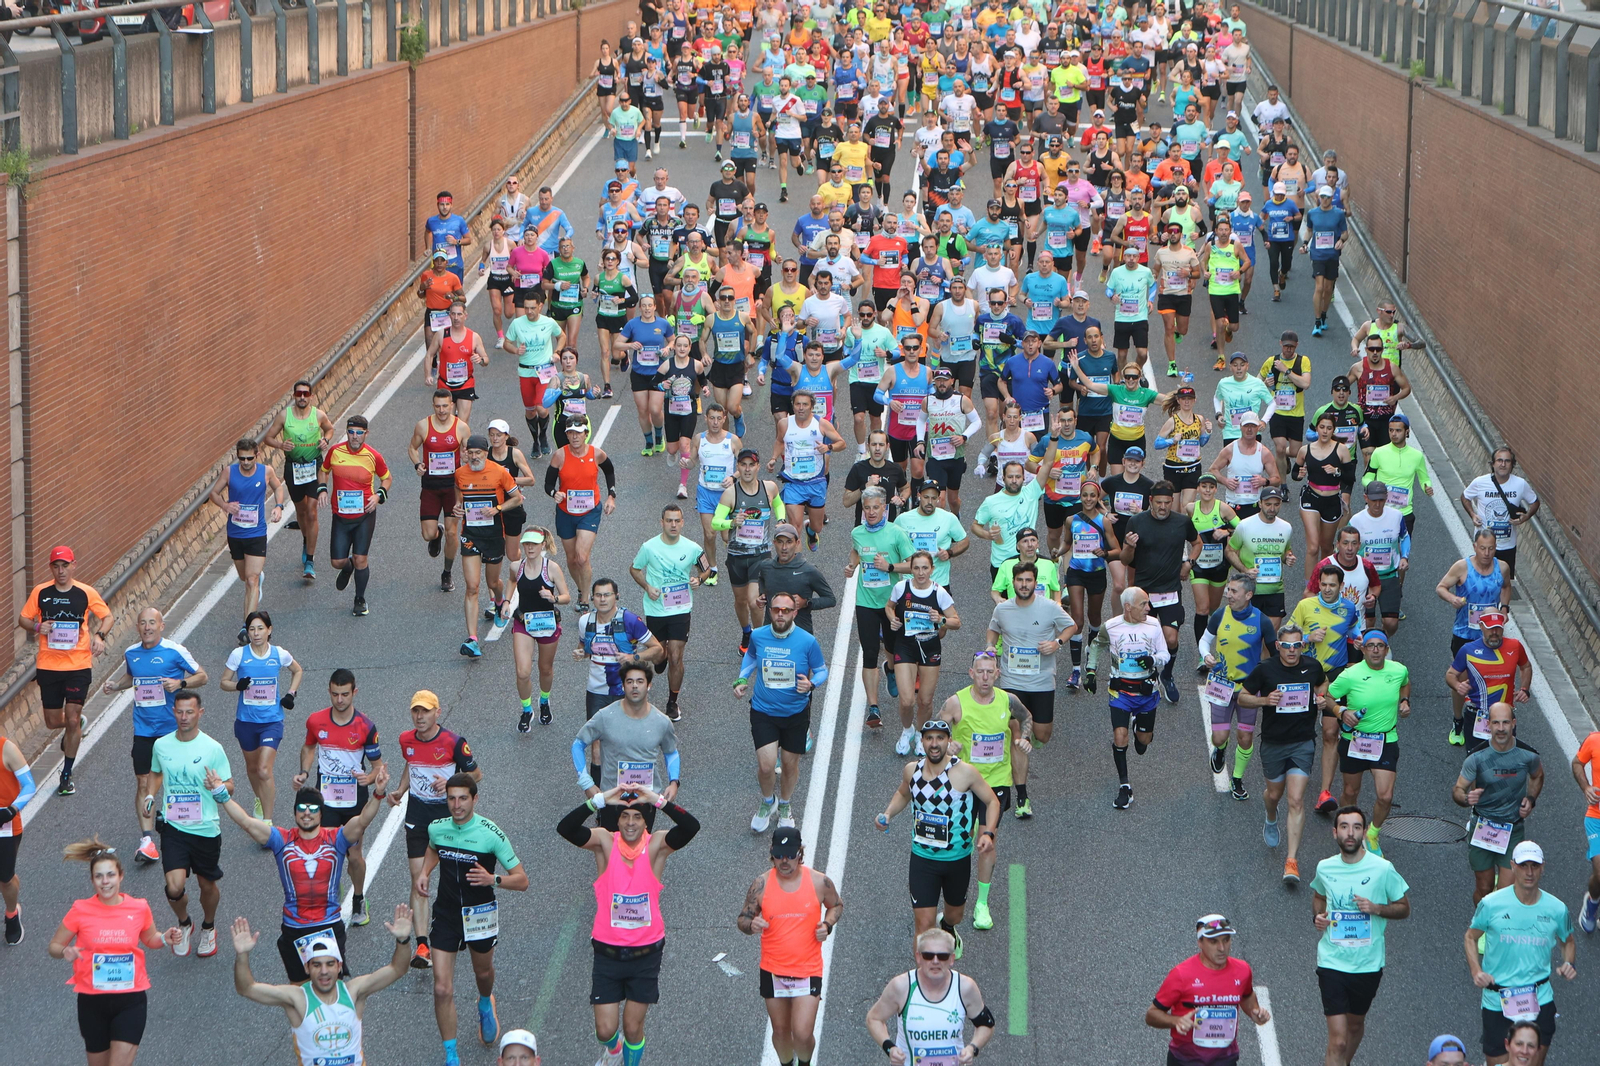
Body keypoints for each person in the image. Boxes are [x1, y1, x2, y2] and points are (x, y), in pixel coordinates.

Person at [558, 787, 700, 1066]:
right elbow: (566, 828)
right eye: (624, 816)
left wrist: (657, 800)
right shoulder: (604, 841)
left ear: (646, 821)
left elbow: (690, 826)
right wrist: (599, 800)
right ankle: (614, 1050)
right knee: (605, 1030)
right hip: (608, 952)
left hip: (645, 954)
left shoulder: (657, 845)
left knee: (633, 1027)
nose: (630, 822)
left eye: (637, 816)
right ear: (617, 820)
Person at [212, 762, 389, 979]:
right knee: (299, 989)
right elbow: (246, 822)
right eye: (302, 808)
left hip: (329, 925)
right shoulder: (281, 839)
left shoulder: (336, 838)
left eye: (313, 809)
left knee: (331, 986)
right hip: (294, 927)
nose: (307, 813)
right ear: (295, 812)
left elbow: (362, 821)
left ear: (321, 814)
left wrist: (378, 793)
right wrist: (222, 796)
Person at [416, 774, 529, 1060]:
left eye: (463, 798)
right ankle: (451, 1055)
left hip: (480, 915)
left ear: (475, 799)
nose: (457, 805)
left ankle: (485, 1003)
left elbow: (522, 880)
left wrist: (494, 879)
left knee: (483, 973)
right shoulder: (437, 828)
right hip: (446, 915)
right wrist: (425, 872)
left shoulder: (491, 834)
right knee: (442, 989)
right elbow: (432, 849)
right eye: (451, 799)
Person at [48, 838, 183, 1065]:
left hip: (130, 1000)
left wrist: (164, 938)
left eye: (110, 875)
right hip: (92, 1002)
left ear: (121, 876)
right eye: (99, 876)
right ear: (92, 880)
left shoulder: (139, 907)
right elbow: (54, 946)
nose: (105, 882)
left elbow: (150, 938)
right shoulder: (80, 909)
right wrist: (64, 951)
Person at [230, 904, 413, 1066]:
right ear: (307, 968)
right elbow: (247, 988)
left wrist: (403, 940)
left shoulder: (353, 992)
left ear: (339, 966)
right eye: (317, 965)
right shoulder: (298, 998)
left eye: (330, 964)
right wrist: (242, 955)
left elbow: (397, 969)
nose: (324, 971)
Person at [876, 719, 1000, 955]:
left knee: (955, 915)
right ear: (922, 741)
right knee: (923, 925)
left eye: (940, 738)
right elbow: (903, 793)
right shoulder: (912, 770)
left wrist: (988, 833)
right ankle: (922, 976)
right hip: (923, 859)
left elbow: (992, 801)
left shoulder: (965, 772)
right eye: (929, 738)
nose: (934, 744)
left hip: (957, 859)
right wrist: (888, 813)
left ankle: (948, 925)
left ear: (948, 741)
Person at [100, 607, 206, 865]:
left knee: (177, 779)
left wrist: (180, 683)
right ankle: (147, 840)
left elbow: (202, 676)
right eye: (143, 623)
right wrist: (117, 685)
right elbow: (132, 676)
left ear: (161, 626)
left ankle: (184, 824)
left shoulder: (174, 651)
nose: (147, 627)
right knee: (143, 782)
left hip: (172, 730)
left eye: (152, 623)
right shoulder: (131, 653)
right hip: (144, 729)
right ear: (138, 627)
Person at [1310, 806, 1412, 1066]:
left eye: (1356, 827)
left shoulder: (1382, 869)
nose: (1350, 833)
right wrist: (1318, 916)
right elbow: (1319, 896)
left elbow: (1404, 908)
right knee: (1338, 1040)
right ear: (1335, 832)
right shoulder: (1325, 867)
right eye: (1344, 827)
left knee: (1355, 1026)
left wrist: (1376, 908)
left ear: (1365, 832)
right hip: (1332, 961)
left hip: (1368, 963)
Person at [387, 690, 481, 971]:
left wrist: (451, 782)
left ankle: (460, 928)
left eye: (425, 711)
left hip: (448, 819)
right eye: (416, 711)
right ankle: (422, 944)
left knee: (455, 878)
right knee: (419, 878)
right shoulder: (406, 740)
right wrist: (400, 790)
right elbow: (411, 765)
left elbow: (476, 774)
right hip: (417, 817)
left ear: (437, 713)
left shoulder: (454, 742)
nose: (420, 717)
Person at [737, 826, 842, 1066]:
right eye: (779, 855)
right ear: (771, 852)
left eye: (790, 855)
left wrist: (827, 924)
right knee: (781, 1031)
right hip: (773, 970)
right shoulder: (761, 884)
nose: (784, 861)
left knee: (803, 1033)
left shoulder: (819, 881)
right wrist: (751, 924)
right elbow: (742, 919)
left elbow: (836, 905)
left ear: (800, 854)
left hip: (808, 969)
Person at [1466, 841, 1575, 1066]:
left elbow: (1568, 941)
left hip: (1539, 997)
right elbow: (1470, 937)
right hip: (1498, 999)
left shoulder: (1557, 909)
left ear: (1543, 868)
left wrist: (1568, 963)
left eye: (1535, 866)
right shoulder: (1491, 904)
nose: (1529, 872)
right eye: (1523, 865)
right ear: (1513, 866)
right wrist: (1476, 970)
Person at [290, 668, 385, 926]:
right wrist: (304, 772)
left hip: (355, 800)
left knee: (354, 854)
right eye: (335, 694)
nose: (340, 700)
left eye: (345, 694)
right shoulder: (316, 721)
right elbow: (309, 747)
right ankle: (333, 892)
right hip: (326, 799)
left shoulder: (366, 726)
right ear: (329, 692)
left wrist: (370, 777)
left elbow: (377, 766)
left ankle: (359, 898)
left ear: (354, 692)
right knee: (328, 853)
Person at [20, 545, 113, 796]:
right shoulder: (41, 592)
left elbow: (107, 616)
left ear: (74, 566)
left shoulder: (85, 592)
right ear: (51, 568)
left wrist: (100, 636)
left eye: (65, 566)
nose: (61, 571)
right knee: (53, 722)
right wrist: (38, 627)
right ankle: (76, 725)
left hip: (78, 665)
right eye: (56, 566)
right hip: (49, 665)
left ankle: (66, 774)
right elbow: (23, 619)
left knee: (71, 717)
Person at [1240, 623, 1330, 883]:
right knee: (1274, 794)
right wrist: (1264, 700)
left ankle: (1291, 861)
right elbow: (1243, 697)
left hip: (1302, 742)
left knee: (1296, 800)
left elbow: (1323, 682)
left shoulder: (1312, 666)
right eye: (1287, 646)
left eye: (1297, 645)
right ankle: (1271, 817)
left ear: (1303, 645)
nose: (1292, 651)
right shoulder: (1265, 669)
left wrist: (1321, 697)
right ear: (1278, 646)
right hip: (1273, 743)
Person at [984, 562, 1076, 814]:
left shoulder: (1049, 607)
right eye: (1019, 580)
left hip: (1041, 680)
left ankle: (1029, 735)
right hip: (1012, 682)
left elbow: (1071, 626)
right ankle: (1022, 797)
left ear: (1035, 583)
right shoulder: (1003, 609)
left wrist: (1057, 643)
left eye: (1028, 580)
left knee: (1042, 735)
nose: (1024, 585)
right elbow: (993, 630)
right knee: (1017, 734)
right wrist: (990, 646)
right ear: (1013, 582)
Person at [147, 689, 233, 958]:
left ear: (200, 713)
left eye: (190, 712)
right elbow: (155, 772)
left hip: (205, 828)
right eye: (180, 712)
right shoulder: (161, 745)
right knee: (174, 887)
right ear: (173, 712)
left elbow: (230, 784)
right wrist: (150, 794)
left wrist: (218, 786)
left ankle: (208, 927)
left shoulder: (212, 748)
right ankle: (185, 923)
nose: (184, 717)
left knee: (207, 885)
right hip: (174, 827)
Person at [1327, 631, 1411, 856]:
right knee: (1350, 791)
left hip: (1385, 740)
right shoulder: (1350, 675)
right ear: (1363, 649)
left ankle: (1372, 833)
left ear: (1386, 649)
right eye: (1370, 646)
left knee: (1385, 796)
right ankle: (1348, 831)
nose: (1375, 650)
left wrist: (1405, 700)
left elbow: (1405, 684)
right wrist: (1341, 711)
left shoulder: (1398, 670)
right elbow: (1326, 696)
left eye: (1380, 646)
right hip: (1354, 740)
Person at [1147, 915, 1271, 1064]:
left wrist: (1254, 1012)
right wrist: (1175, 1021)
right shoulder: (1181, 975)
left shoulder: (1242, 970)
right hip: (1186, 1059)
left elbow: (1246, 996)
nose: (1222, 948)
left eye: (1226, 940)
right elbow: (1151, 1015)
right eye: (1213, 942)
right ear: (1200, 942)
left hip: (1225, 1058)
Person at [573, 662, 680, 834]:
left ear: (649, 685)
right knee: (611, 847)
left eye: (640, 681)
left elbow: (671, 752)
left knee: (641, 848)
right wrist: (586, 783)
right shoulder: (605, 717)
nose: (635, 686)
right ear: (623, 686)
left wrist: (674, 782)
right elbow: (578, 744)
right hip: (613, 799)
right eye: (629, 681)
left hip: (646, 799)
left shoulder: (662, 721)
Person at [864, 927, 997, 1063]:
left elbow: (986, 1024)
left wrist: (972, 1048)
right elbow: (874, 1019)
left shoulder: (965, 987)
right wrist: (889, 1048)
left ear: (951, 959)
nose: (935, 961)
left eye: (942, 956)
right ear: (918, 957)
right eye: (928, 955)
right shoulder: (902, 986)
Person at [1454, 702, 1543, 902]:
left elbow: (1537, 776)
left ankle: (1496, 921)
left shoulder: (1528, 755)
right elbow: (1458, 789)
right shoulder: (1476, 757)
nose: (1501, 728)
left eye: (1505, 723)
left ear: (1514, 723)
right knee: (1484, 889)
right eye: (1496, 723)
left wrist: (1531, 799)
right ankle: (1481, 918)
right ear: (1488, 724)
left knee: (1505, 893)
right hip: (1483, 826)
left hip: (1512, 828)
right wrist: (1466, 798)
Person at [221, 610, 303, 829]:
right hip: (246, 722)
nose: (256, 633)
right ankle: (259, 797)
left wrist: (291, 694)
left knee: (264, 769)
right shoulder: (239, 655)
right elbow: (224, 682)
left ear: (269, 630)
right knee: (252, 768)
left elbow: (297, 671)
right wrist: (237, 686)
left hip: (271, 721)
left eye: (260, 628)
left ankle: (267, 822)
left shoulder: (279, 654)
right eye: (252, 629)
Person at [1121, 481, 1200, 704]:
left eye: (1167, 502)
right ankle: (1147, 675)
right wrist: (1129, 546)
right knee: (1144, 639)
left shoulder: (1182, 522)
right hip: (1144, 592)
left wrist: (1189, 563)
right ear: (1150, 501)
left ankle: (1167, 675)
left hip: (1170, 591)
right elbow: (1125, 560)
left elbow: (1197, 543)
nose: (1163, 507)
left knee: (1171, 638)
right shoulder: (1136, 522)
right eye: (1158, 503)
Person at [1201, 574, 1278, 800]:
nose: (1229, 595)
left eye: (1234, 591)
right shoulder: (1220, 615)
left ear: (1248, 595)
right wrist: (1206, 655)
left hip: (1248, 689)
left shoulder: (1262, 621)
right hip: (1221, 685)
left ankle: (1236, 779)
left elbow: (1275, 653)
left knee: (1245, 738)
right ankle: (1220, 749)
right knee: (1218, 737)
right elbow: (1205, 640)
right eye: (1228, 590)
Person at [847, 487, 917, 734]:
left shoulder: (896, 533)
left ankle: (890, 668)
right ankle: (874, 708)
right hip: (865, 602)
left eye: (876, 507)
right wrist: (852, 565)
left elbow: (913, 564)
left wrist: (889, 567)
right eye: (867, 508)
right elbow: (856, 550)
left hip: (891, 602)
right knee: (869, 652)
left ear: (885, 508)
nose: (871, 512)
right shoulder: (857, 532)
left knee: (891, 646)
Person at [631, 505, 709, 722]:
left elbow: (707, 569)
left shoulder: (692, 548)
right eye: (669, 521)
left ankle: (672, 702)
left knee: (676, 656)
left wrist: (699, 579)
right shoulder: (649, 547)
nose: (673, 525)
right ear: (662, 523)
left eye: (677, 521)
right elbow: (634, 569)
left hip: (681, 608)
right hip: (656, 609)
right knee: (659, 655)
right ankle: (660, 657)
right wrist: (647, 587)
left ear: (682, 523)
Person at [208, 438, 286, 642]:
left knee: (251, 580)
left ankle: (247, 627)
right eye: (241, 458)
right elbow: (213, 493)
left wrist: (279, 506)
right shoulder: (229, 472)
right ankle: (257, 579)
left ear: (257, 455)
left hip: (256, 533)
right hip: (235, 534)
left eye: (249, 458)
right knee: (245, 577)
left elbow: (278, 488)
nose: (245, 462)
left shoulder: (266, 471)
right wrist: (225, 506)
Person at [454, 435, 524, 658]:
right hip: (470, 535)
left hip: (494, 535)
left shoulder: (499, 472)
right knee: (472, 587)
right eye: (470, 453)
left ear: (486, 453)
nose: (474, 457)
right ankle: (472, 639)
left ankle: (499, 600)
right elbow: (458, 497)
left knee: (492, 582)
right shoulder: (460, 473)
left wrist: (498, 509)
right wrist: (457, 508)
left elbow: (517, 498)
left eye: (478, 453)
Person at [1102, 587, 1170, 811]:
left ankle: (1138, 727)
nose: (1149, 608)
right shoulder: (1111, 626)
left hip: (1146, 693)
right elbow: (1095, 645)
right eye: (1144, 604)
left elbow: (1165, 654)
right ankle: (1125, 786)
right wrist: (1090, 672)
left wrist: (1152, 660)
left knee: (1143, 742)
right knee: (1119, 737)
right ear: (1128, 607)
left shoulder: (1153, 625)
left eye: (1148, 603)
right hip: (1120, 693)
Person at [319, 415, 392, 617]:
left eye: (359, 433)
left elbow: (387, 479)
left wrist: (378, 496)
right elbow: (323, 471)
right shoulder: (335, 451)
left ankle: (360, 599)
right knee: (337, 562)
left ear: (366, 434)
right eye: (351, 432)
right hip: (341, 516)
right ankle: (347, 566)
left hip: (364, 515)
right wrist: (322, 489)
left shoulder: (373, 456)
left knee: (361, 558)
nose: (354, 436)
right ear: (347, 432)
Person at [547, 418, 620, 609]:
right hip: (566, 512)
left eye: (578, 433)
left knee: (582, 557)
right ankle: (581, 589)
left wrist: (611, 496)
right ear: (566, 435)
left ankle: (586, 599)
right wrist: (555, 493)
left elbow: (609, 471)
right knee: (572, 560)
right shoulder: (559, 456)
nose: (574, 437)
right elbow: (548, 484)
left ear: (586, 434)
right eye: (571, 433)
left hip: (590, 511)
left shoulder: (596, 454)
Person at [264, 380, 334, 578]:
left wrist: (325, 440)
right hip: (293, 469)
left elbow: (329, 429)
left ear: (311, 396)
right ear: (294, 396)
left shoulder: (318, 415)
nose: (302, 397)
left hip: (314, 467)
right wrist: (280, 445)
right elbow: (268, 438)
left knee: (311, 512)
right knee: (301, 511)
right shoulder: (284, 416)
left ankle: (310, 561)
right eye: (299, 394)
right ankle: (306, 538)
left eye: (305, 394)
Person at [888, 551, 961, 736]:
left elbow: (956, 622)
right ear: (911, 569)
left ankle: (922, 734)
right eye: (916, 568)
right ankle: (907, 731)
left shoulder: (939, 592)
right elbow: (889, 607)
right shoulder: (901, 587)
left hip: (930, 648)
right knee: (906, 701)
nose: (921, 573)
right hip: (905, 646)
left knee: (925, 701)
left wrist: (941, 620)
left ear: (932, 569)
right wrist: (892, 619)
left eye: (925, 568)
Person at [506, 527, 572, 731]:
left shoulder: (552, 568)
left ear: (543, 545)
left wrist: (554, 598)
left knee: (545, 668)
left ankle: (544, 701)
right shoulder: (516, 566)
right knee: (522, 672)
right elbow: (511, 581)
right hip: (524, 623)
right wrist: (507, 601)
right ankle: (527, 710)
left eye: (534, 544)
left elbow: (567, 597)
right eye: (527, 544)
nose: (530, 548)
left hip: (547, 624)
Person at [410, 389, 469, 594]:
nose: (442, 410)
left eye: (445, 406)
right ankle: (437, 534)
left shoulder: (461, 427)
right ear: (433, 406)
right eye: (438, 406)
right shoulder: (423, 425)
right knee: (427, 534)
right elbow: (412, 448)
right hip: (430, 487)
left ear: (452, 405)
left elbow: (470, 453)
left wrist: (467, 459)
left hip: (453, 488)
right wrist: (417, 463)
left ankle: (447, 572)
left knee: (453, 533)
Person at [1462, 448, 1540, 579]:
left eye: (1507, 461)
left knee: (1504, 582)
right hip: (1484, 545)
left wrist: (1526, 517)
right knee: (1482, 580)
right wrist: (1473, 515)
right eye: (1499, 460)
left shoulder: (1520, 484)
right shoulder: (1480, 482)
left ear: (1512, 465)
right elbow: (1465, 497)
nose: (1503, 464)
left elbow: (1535, 502)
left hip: (1507, 545)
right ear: (1493, 464)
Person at [0, 732, 36, 946]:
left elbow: (29, 786)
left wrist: (12, 810)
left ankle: (12, 913)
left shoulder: (6, 748)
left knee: (5, 879)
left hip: (5, 826)